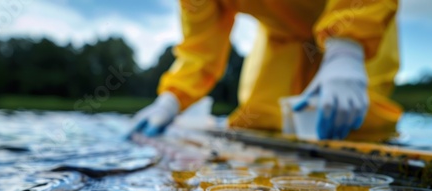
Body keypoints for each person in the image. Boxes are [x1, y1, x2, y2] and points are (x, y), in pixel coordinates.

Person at [129, 0, 402, 140]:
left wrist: (347, 48)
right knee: (259, 120)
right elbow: (201, 46)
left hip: (357, 22)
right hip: (282, 38)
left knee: (355, 117)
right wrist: (172, 99)